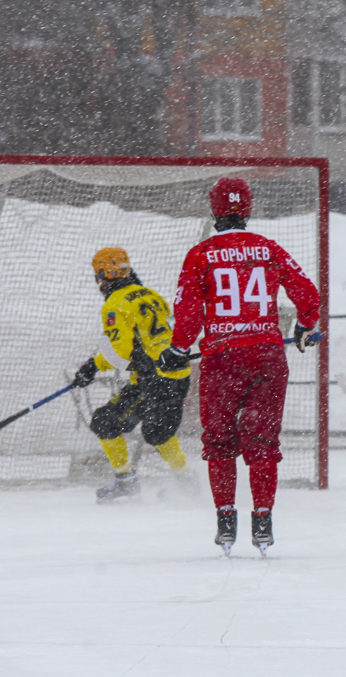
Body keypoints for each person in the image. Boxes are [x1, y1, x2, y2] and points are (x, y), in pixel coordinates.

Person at [170, 177, 322, 555]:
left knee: (220, 443)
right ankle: (263, 521)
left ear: (214, 210)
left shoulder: (200, 254)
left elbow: (188, 314)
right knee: (263, 443)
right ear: (248, 209)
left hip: (222, 359)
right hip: (267, 357)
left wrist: (177, 349)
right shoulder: (268, 249)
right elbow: (307, 294)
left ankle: (225, 521)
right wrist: (304, 325)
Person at [69, 247, 193, 503]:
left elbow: (121, 352)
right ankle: (188, 483)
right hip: (174, 375)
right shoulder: (150, 294)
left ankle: (129, 482)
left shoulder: (114, 304)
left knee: (106, 422)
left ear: (104, 275)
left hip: (156, 380)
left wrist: (91, 367)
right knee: (157, 432)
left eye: (99, 274)